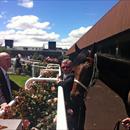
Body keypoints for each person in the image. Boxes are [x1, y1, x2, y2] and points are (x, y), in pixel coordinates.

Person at [57, 59, 75, 130]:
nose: (65, 69)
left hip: (71, 104)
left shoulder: (72, 76)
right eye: (63, 67)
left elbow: (63, 84)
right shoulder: (63, 75)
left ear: (72, 67)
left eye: (67, 67)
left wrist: (58, 81)